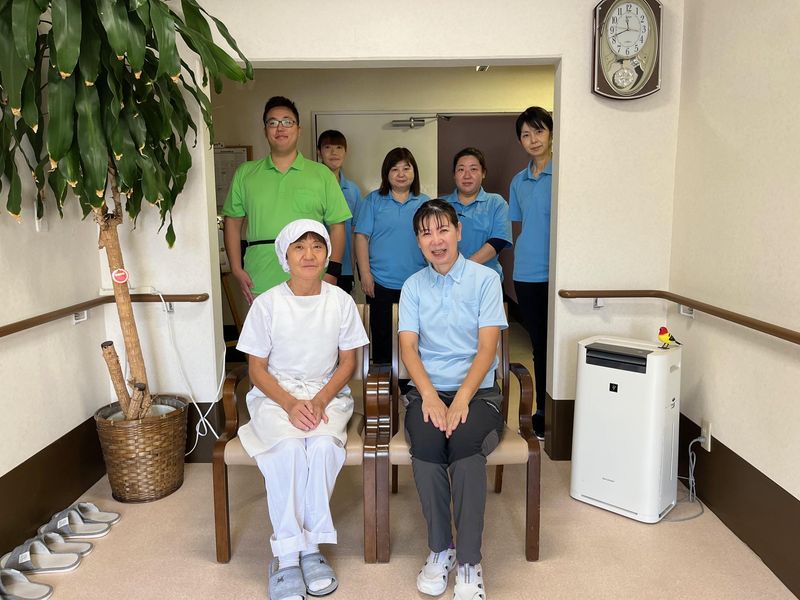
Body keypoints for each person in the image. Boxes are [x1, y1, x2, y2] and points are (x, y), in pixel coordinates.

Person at [235, 219, 369, 600]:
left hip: (327, 393)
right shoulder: (267, 304)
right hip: (276, 396)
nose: (309, 255)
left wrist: (320, 400)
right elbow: (256, 370)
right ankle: (286, 557)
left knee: (324, 447)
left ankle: (310, 549)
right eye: (299, 247)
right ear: (285, 256)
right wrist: (291, 403)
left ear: (327, 254)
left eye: (317, 246)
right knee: (290, 451)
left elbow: (348, 363)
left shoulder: (340, 301)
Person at [399, 199, 507, 600]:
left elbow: (487, 349)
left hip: (478, 393)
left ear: (459, 232)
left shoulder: (485, 280)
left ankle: (469, 562)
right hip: (428, 391)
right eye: (426, 233)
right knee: (428, 446)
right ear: (418, 241)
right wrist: (429, 396)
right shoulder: (413, 286)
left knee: (463, 447)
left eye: (443, 229)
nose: (436, 240)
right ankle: (440, 549)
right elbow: (409, 348)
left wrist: (461, 399)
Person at [223, 96, 351, 301]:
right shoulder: (245, 173)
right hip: (260, 278)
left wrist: (332, 272)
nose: (280, 128)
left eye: (287, 122)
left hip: (312, 278)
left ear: (298, 129)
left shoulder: (322, 174)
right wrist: (236, 268)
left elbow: (337, 226)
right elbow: (232, 222)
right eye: (272, 123)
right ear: (265, 131)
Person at [354, 147, 429, 364]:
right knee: (382, 337)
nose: (401, 174)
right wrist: (365, 274)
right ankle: (384, 380)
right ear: (386, 173)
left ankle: (411, 382)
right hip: (380, 283)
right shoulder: (373, 201)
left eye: (406, 168)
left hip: (417, 283)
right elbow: (361, 238)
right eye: (395, 169)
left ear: (414, 172)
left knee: (415, 337)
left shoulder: (424, 202)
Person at [509, 106, 553, 441]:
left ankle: (557, 409)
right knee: (539, 344)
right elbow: (522, 224)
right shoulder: (518, 181)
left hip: (560, 273)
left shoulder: (565, 173)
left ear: (551, 133)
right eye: (526, 134)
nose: (533, 139)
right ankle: (541, 411)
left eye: (538, 131)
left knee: (556, 344)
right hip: (526, 272)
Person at [442, 147, 511, 279]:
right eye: (461, 169)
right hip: (447, 279)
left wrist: (463, 268)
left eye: (473, 169)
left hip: (487, 280)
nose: (467, 175)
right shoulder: (440, 205)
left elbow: (498, 241)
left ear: (483, 173)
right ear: (454, 174)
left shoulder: (496, 203)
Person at [317, 129, 362, 294]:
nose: (334, 152)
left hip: (344, 267)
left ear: (345, 152)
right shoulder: (310, 186)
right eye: (327, 147)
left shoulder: (353, 190)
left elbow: (355, 232)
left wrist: (354, 266)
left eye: (339, 147)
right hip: (314, 264)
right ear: (319, 152)